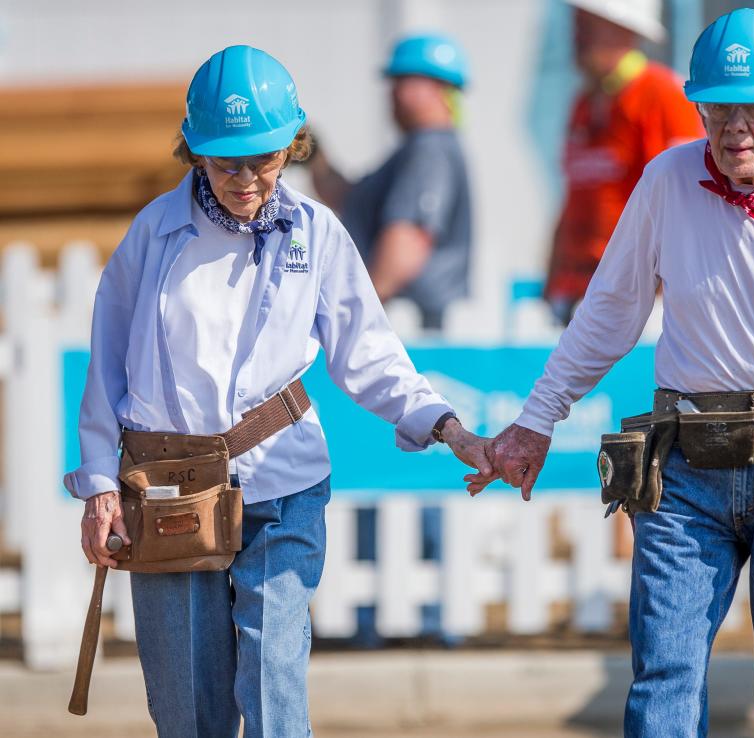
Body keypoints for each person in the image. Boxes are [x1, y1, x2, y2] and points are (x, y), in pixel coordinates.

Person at [469, 9, 754, 736]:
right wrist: (535, 421)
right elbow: (607, 314)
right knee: (661, 687)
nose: (733, 127)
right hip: (690, 466)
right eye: (717, 107)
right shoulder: (667, 179)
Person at [66, 45, 491, 737]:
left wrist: (448, 428)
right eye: (225, 160)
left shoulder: (318, 234)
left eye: (263, 159)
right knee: (189, 712)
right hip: (172, 490)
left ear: (290, 146)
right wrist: (98, 486)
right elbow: (106, 367)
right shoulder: (153, 236)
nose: (245, 178)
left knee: (273, 684)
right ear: (194, 151)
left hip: (285, 484)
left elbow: (370, 354)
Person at [544, 0, 703, 324]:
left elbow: (687, 202)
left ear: (625, 29)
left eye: (588, 22)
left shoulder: (662, 96)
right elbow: (574, 199)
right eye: (578, 21)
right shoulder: (584, 103)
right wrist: (552, 282)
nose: (577, 34)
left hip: (638, 304)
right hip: (579, 297)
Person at [312, 33, 471, 330]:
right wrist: (314, 158)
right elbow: (347, 198)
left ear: (434, 87)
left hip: (411, 328)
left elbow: (407, 241)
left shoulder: (429, 150)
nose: (394, 94)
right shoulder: (414, 150)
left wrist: (355, 315)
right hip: (404, 324)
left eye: (402, 82)